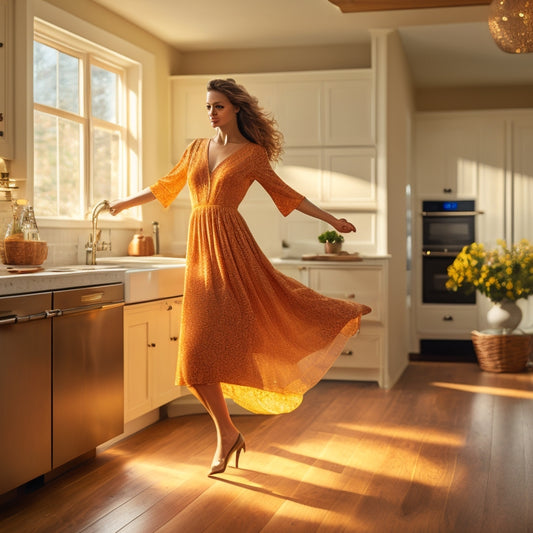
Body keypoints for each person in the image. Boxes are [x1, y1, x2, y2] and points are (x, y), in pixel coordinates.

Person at [109, 78, 371, 476]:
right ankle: (227, 433)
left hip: (232, 249)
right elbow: (167, 185)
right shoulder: (196, 148)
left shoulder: (252, 155)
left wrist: (332, 219)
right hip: (200, 255)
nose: (212, 113)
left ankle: (337, 313)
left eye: (218, 106)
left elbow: (289, 195)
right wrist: (123, 203)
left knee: (265, 310)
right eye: (208, 106)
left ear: (236, 110)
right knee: (194, 356)